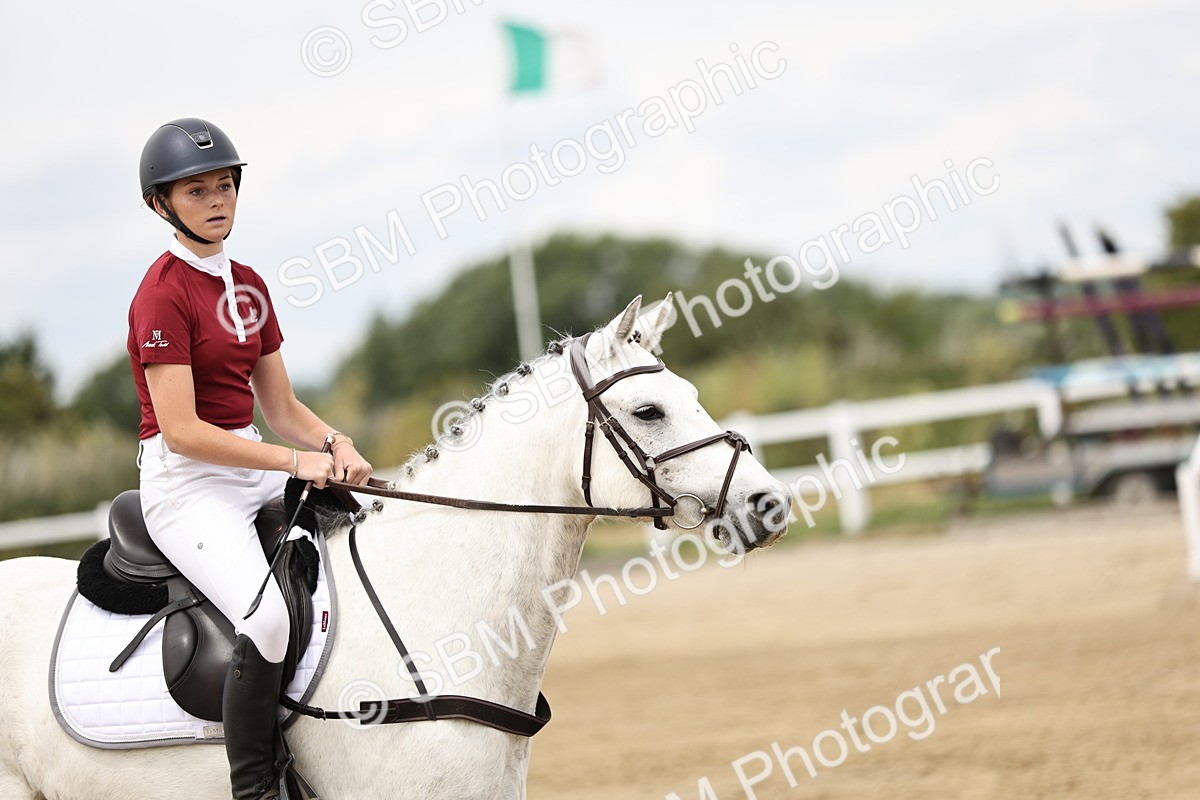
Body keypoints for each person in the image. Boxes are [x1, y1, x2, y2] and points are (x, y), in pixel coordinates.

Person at [127, 117, 371, 800]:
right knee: (264, 618)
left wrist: (334, 444)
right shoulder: (161, 294)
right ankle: (256, 785)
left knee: (367, 534)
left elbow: (282, 409)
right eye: (196, 190)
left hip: (249, 466)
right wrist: (294, 465)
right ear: (161, 204)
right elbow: (182, 430)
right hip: (188, 486)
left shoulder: (251, 285)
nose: (216, 200)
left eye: (225, 185)